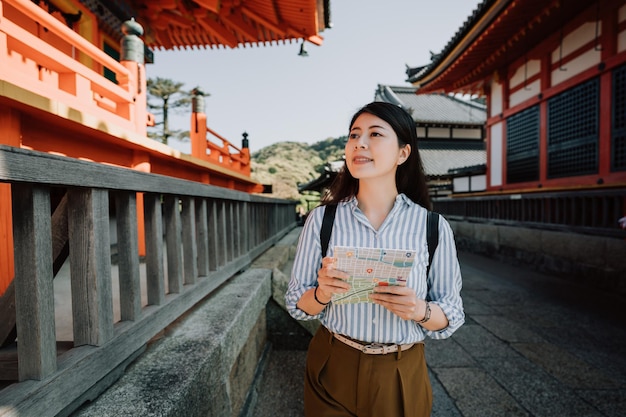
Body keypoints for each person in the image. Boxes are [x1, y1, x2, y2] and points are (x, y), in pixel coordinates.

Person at [285, 102, 464, 417]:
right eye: (354, 135)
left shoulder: (432, 227)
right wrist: (321, 293)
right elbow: (297, 305)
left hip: (400, 370)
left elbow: (452, 314)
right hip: (331, 362)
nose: (359, 143)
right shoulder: (321, 220)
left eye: (375, 134)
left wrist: (419, 310)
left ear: (402, 154)